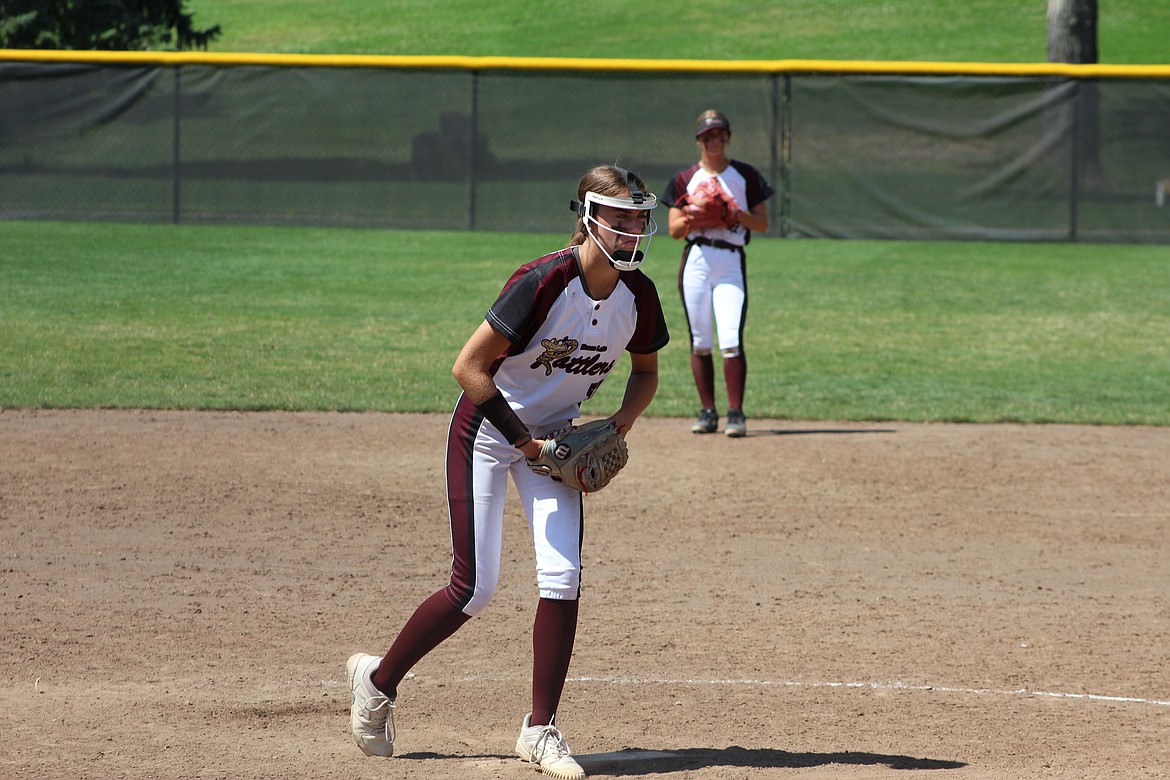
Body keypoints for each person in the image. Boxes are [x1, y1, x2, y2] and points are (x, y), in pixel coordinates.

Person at [346, 165, 669, 780]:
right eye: (623, 218)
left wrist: (617, 426)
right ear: (591, 218)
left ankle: (540, 729)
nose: (635, 230)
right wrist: (524, 442)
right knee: (476, 586)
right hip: (490, 433)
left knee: (563, 576)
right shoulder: (544, 280)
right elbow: (468, 368)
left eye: (640, 218)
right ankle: (378, 682)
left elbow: (647, 373)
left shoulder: (639, 296)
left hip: (558, 443)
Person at [664, 110, 775, 438]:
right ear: (699, 140)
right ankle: (708, 411)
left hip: (730, 261)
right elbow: (672, 229)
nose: (715, 140)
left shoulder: (745, 175)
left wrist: (731, 213)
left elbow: (762, 223)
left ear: (728, 137)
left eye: (720, 135)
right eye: (708, 136)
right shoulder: (686, 179)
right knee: (700, 340)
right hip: (697, 259)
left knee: (730, 340)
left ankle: (736, 414)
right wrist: (695, 216)